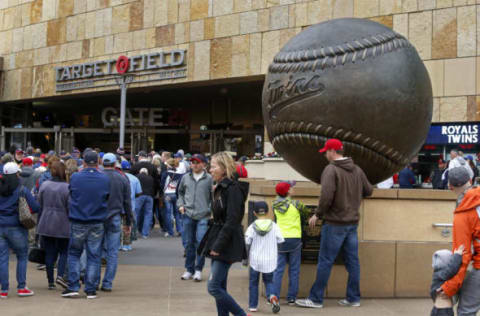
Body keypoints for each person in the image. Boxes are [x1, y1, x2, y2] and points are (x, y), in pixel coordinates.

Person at [296, 138, 373, 309]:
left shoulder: (331, 170)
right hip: (352, 223)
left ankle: (316, 299)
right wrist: (352, 199)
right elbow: (369, 190)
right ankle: (353, 298)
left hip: (335, 223)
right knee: (353, 262)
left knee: (325, 261)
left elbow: (327, 196)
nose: (325, 155)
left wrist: (317, 214)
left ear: (332, 151)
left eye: (326, 152)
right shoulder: (357, 170)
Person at [198, 151, 249, 316]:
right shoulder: (220, 187)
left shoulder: (232, 189)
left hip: (226, 242)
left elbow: (232, 220)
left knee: (213, 287)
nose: (210, 169)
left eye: (213, 166)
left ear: (223, 168)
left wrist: (218, 245)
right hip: (220, 239)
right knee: (219, 287)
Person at [62, 151, 110, 299]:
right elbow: (107, 197)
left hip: (78, 220)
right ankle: (90, 288)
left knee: (75, 254)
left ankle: (73, 286)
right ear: (98, 162)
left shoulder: (76, 177)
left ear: (83, 162)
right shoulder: (104, 178)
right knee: (94, 256)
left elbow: (71, 193)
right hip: (96, 220)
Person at [439, 167, 480, 315]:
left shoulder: (464, 213)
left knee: (466, 311)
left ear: (450, 186)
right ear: (470, 180)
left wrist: (450, 286)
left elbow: (462, 255)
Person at [0, 162, 40, 298]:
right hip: (17, 227)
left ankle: (3, 290)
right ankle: (21, 287)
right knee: (22, 256)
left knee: (2, 258)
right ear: (16, 174)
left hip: (0, 227)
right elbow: (35, 207)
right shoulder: (21, 189)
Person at [97, 153, 132, 292]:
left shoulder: (98, 176)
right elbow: (127, 202)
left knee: (95, 250)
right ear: (115, 163)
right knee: (112, 252)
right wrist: (128, 222)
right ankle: (107, 283)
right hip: (115, 216)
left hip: (98, 216)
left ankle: (93, 281)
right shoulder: (122, 178)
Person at [272, 181, 310, 306]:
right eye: (291, 187)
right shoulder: (297, 204)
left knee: (278, 270)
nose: (293, 189)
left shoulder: (275, 204)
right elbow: (306, 213)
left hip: (280, 239)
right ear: (288, 191)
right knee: (294, 270)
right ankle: (291, 297)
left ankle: (275, 297)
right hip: (294, 239)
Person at [177, 154, 212, 282]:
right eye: (192, 162)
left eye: (197, 162)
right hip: (188, 214)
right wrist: (181, 205)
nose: (194, 165)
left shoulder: (209, 179)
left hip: (203, 215)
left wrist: (209, 209)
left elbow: (213, 196)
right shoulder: (186, 177)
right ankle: (189, 269)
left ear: (203, 164)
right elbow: (180, 193)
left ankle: (198, 270)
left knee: (201, 243)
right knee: (188, 243)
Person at [245, 201, 284, 313]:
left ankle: (253, 306)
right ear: (268, 212)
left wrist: (245, 258)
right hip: (270, 260)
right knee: (269, 282)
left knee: (253, 282)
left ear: (254, 213)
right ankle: (272, 297)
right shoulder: (274, 226)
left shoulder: (252, 227)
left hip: (255, 260)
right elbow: (281, 240)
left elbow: (247, 241)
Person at [37, 161, 70, 290]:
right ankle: (60, 276)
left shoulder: (45, 185)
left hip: (46, 222)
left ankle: (50, 281)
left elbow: (39, 203)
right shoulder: (67, 187)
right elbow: (70, 207)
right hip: (63, 223)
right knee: (64, 252)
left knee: (49, 253)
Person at [430, 245, 465, 316]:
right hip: (444, 311)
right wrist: (457, 256)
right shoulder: (443, 273)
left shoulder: (437, 275)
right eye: (451, 259)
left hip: (436, 309)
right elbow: (452, 269)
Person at [121, 161, 142, 251]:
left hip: (118, 205)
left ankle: (118, 244)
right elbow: (139, 193)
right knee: (128, 225)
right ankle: (127, 244)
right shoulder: (135, 178)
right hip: (130, 206)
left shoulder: (119, 177)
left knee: (118, 225)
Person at [161, 158, 184, 238]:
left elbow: (162, 185)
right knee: (177, 214)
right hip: (176, 195)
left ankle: (170, 231)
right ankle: (180, 230)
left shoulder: (165, 174)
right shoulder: (180, 175)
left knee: (168, 213)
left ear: (169, 165)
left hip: (167, 195)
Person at [135, 167, 155, 239]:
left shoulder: (137, 177)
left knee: (136, 213)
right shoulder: (150, 178)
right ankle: (145, 233)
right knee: (148, 214)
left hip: (140, 196)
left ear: (140, 172)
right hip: (149, 196)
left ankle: (134, 231)